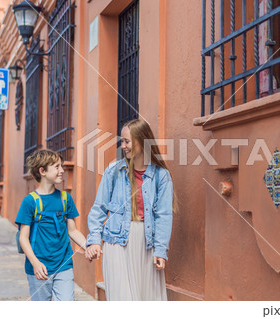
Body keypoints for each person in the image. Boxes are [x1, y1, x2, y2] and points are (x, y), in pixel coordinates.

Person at [85, 119, 175, 300]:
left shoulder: (161, 176)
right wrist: (94, 240)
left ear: (142, 142)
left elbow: (164, 216)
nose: (122, 145)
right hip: (116, 241)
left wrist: (160, 250)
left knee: (147, 300)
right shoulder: (113, 171)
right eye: (122, 141)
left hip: (146, 243)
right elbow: (99, 208)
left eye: (126, 141)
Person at [15, 149, 87, 301]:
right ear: (42, 171)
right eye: (57, 167)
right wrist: (35, 263)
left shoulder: (65, 198)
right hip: (39, 268)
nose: (62, 170)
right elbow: (23, 238)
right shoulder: (30, 201)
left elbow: (72, 231)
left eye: (61, 166)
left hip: (64, 264)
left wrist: (89, 246)